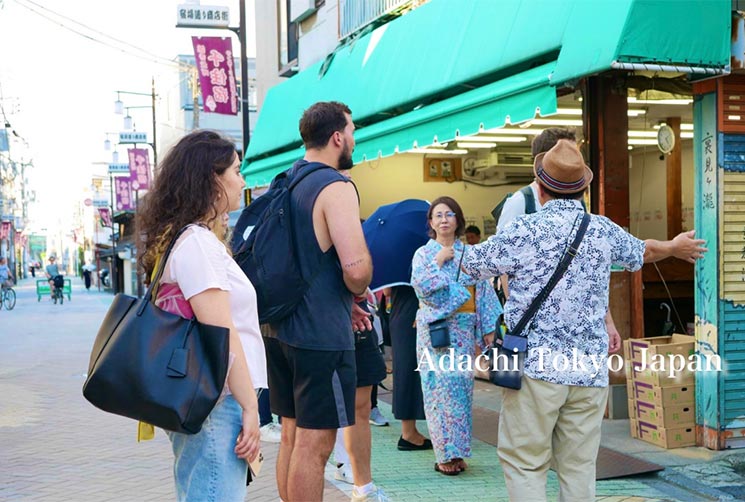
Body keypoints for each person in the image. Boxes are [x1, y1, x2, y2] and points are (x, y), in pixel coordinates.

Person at [462, 139, 707, 500]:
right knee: (578, 466)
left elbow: (468, 266)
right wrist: (674, 246)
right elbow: (643, 250)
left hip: (537, 371)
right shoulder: (602, 230)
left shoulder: (524, 231)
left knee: (525, 462)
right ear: (583, 189)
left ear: (540, 187)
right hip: (590, 372)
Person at [136, 130, 266, 502]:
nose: (242, 180)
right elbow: (222, 335)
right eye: (236, 170)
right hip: (216, 402)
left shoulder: (188, 240)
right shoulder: (196, 243)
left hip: (207, 399)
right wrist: (250, 406)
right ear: (213, 178)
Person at [265, 101, 373, 502]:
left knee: (292, 437)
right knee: (317, 445)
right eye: (353, 131)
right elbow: (356, 269)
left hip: (278, 329)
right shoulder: (335, 186)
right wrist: (358, 286)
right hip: (319, 335)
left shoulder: (285, 180)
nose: (354, 139)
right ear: (337, 137)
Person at [497, 127, 623, 353]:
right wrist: (519, 325)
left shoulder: (578, 206)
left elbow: (591, 272)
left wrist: (608, 322)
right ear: (546, 161)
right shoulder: (520, 203)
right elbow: (504, 268)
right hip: (535, 332)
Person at [410, 196, 501, 476]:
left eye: (450, 214)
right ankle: (443, 455)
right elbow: (421, 288)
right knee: (438, 391)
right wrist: (438, 261)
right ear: (431, 222)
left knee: (461, 392)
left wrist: (488, 333)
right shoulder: (424, 255)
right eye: (438, 215)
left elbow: (483, 293)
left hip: (463, 330)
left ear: (458, 220)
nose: (444, 219)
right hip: (435, 332)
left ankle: (458, 452)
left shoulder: (471, 255)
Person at [332, 297, 389, 501]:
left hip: (346, 315)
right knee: (355, 410)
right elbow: (357, 277)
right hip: (334, 318)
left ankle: (362, 486)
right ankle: (362, 486)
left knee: (357, 409)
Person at [386, 285, 432, 451]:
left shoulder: (397, 262)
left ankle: (410, 431)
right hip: (411, 316)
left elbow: (387, 291)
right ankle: (408, 433)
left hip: (403, 312)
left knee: (407, 371)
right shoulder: (419, 261)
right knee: (408, 371)